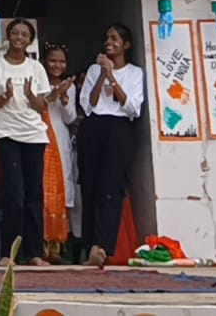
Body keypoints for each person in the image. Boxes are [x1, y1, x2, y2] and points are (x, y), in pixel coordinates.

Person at [0, 18, 50, 266]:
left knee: (34, 194)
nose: (19, 38)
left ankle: (34, 253)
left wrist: (31, 95)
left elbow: (42, 106)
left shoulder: (36, 68)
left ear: (30, 41)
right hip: (7, 134)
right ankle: (8, 254)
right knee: (15, 194)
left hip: (34, 134)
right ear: (8, 36)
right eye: (15, 33)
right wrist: (6, 97)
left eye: (25, 35)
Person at [78, 23, 144, 267]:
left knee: (111, 187)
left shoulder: (135, 73)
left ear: (125, 45)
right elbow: (88, 104)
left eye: (115, 38)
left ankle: (103, 246)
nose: (109, 42)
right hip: (94, 127)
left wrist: (113, 77)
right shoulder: (95, 69)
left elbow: (132, 107)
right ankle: (89, 246)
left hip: (119, 128)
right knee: (90, 185)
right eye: (106, 38)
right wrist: (102, 74)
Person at [41, 42, 80, 263]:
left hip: (60, 140)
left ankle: (56, 246)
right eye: (53, 60)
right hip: (42, 139)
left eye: (61, 61)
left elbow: (70, 118)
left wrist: (65, 100)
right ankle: (41, 245)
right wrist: (53, 94)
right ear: (45, 62)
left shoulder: (70, 86)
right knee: (43, 194)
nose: (57, 65)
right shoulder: (38, 81)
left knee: (59, 193)